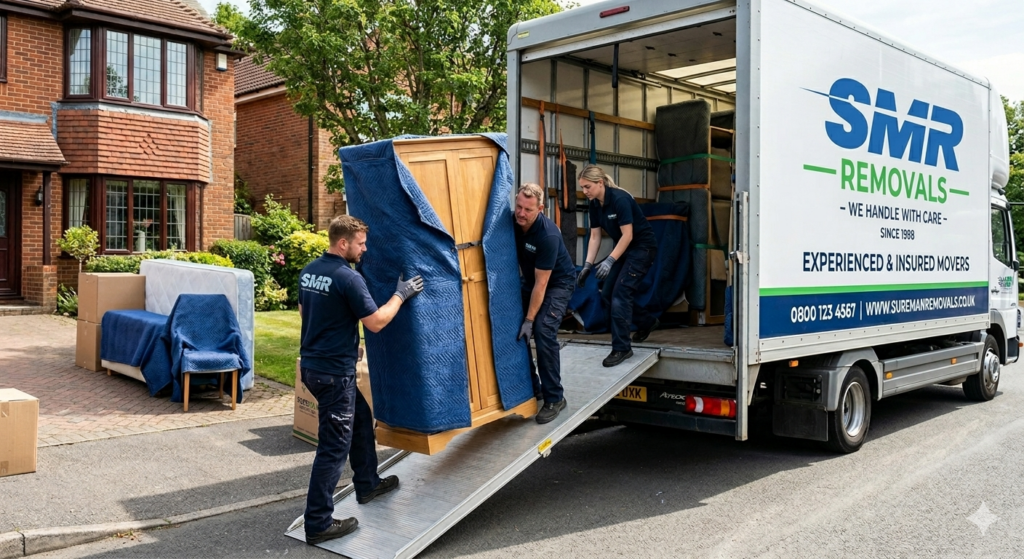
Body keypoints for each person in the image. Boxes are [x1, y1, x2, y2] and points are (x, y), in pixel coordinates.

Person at [298, 215, 424, 545]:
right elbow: (377, 322)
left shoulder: (310, 271)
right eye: (361, 244)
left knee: (361, 420)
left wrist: (336, 336)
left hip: (313, 367)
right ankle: (318, 523)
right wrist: (401, 294)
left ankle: (367, 484)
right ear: (343, 244)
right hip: (333, 374)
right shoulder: (348, 278)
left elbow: (305, 312)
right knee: (333, 448)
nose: (365, 249)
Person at [576, 165, 659, 367]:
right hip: (624, 249)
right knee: (607, 294)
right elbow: (595, 236)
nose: (584, 191)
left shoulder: (619, 199)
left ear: (600, 183)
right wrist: (587, 265)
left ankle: (622, 348)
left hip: (642, 248)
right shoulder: (594, 204)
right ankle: (647, 322)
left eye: (587, 187)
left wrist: (610, 260)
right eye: (582, 187)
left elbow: (628, 235)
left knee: (620, 295)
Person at [513, 183, 576, 424]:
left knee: (542, 330)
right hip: (532, 281)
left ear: (540, 209)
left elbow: (542, 284)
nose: (521, 213)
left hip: (557, 284)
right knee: (512, 325)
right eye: (519, 206)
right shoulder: (513, 222)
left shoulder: (547, 235)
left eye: (528, 210)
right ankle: (533, 388)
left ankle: (555, 398)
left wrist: (529, 320)